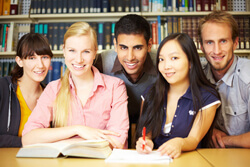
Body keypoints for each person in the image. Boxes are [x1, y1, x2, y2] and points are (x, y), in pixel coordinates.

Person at [22, 22, 129, 149]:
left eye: (86, 52)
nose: (78, 59)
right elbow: (28, 139)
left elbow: (117, 143)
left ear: (95, 53)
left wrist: (63, 143)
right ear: (64, 51)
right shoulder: (53, 89)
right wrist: (77, 130)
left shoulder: (115, 87)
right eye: (72, 50)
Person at [135, 33, 221, 159]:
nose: (166, 66)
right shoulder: (150, 93)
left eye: (174, 58)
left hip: (191, 162)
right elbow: (146, 134)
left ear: (190, 62)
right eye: (161, 59)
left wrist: (180, 143)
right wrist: (145, 142)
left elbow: (193, 139)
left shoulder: (207, 98)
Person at [94, 14, 157, 148]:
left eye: (138, 47)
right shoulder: (101, 62)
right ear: (115, 45)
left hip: (152, 129)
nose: (130, 57)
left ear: (149, 45)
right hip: (113, 129)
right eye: (123, 47)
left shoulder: (162, 62)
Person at [198, 10, 250, 148]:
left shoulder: (248, 78)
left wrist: (226, 140)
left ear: (235, 43)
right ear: (201, 47)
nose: (217, 50)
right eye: (209, 42)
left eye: (223, 41)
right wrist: (210, 131)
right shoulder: (196, 77)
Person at [0, 33, 53, 147]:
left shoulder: (51, 94)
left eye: (44, 57)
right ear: (19, 61)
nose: (40, 65)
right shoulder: (3, 88)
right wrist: (26, 141)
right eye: (32, 58)